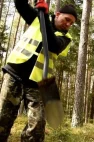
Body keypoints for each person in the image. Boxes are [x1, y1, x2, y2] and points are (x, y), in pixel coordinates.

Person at [0, 0, 77, 141]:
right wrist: (41, 11)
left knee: (38, 124)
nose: (68, 25)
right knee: (2, 119)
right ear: (58, 14)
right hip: (14, 73)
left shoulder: (66, 38)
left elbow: (53, 44)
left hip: (37, 82)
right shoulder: (38, 16)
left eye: (72, 23)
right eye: (67, 20)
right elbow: (20, 4)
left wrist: (45, 16)